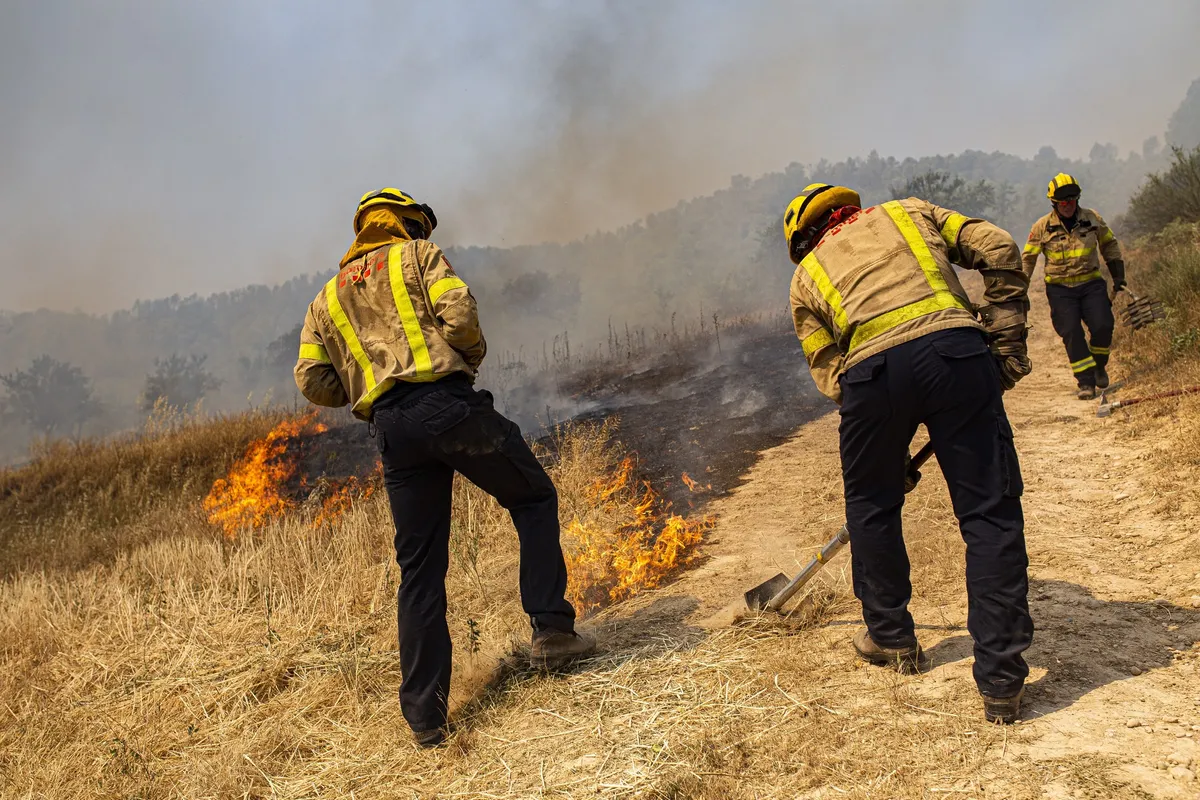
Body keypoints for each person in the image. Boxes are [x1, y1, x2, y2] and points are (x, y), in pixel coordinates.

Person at [294, 188, 594, 747]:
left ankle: (427, 721)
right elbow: (459, 314)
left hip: (390, 430)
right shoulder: (418, 258)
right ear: (405, 223)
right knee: (531, 496)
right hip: (446, 405)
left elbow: (312, 379)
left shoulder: (325, 299)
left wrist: (368, 387)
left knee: (421, 571)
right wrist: (466, 361)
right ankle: (552, 630)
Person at [783, 183, 1035, 723]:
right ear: (850, 209)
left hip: (871, 378)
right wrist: (1008, 335)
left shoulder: (804, 277)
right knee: (989, 515)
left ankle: (892, 638)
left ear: (806, 238)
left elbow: (830, 373)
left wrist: (880, 449)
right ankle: (1001, 683)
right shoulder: (910, 212)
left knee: (871, 506)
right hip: (956, 354)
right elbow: (999, 247)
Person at [1022, 173, 1126, 399]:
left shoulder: (1092, 218)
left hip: (1091, 284)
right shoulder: (1042, 227)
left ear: (1078, 199)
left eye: (1072, 200)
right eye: (1063, 202)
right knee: (1071, 333)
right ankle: (1086, 383)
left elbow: (1109, 245)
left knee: (1103, 326)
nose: (1068, 205)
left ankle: (1099, 365)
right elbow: (1028, 259)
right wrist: (1020, 289)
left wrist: (1118, 275)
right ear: (1054, 203)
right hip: (1060, 290)